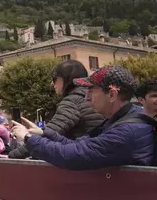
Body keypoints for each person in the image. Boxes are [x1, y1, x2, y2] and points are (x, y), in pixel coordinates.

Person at [11, 65, 154, 169]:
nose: (86, 98)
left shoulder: (125, 131)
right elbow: (79, 145)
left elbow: (72, 155)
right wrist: (44, 133)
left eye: (91, 91)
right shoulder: (126, 117)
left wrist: (27, 138)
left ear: (112, 95)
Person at [9, 59, 104, 159]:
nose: (52, 84)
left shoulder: (72, 101)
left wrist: (12, 156)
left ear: (66, 79)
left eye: (54, 79)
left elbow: (48, 136)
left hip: (81, 160)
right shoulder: (91, 98)